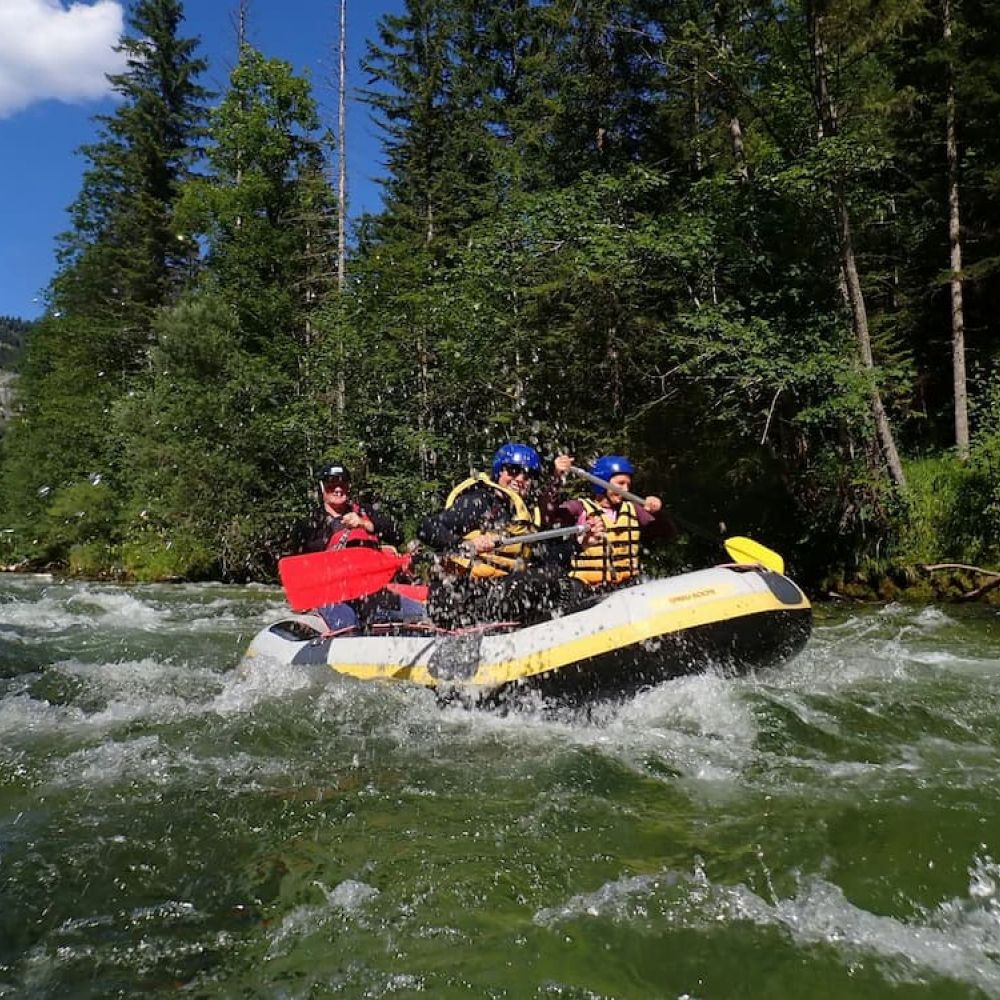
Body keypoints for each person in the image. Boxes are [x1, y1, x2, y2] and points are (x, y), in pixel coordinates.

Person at [417, 443, 603, 629]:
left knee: (569, 585)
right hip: (458, 598)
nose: (520, 478)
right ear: (499, 472)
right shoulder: (480, 502)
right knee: (539, 580)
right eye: (513, 471)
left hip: (494, 595)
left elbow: (546, 561)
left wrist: (579, 544)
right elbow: (426, 528)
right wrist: (465, 543)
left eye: (528, 475)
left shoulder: (524, 518)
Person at [289, 461, 422, 631]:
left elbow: (397, 534)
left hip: (370, 592)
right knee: (347, 624)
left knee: (420, 615)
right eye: (332, 484)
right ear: (322, 488)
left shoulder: (365, 512)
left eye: (342, 483)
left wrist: (365, 524)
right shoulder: (309, 525)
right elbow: (296, 567)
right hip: (331, 595)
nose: (338, 489)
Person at [551, 454, 673, 590]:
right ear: (602, 482)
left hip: (628, 586)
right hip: (589, 589)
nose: (626, 489)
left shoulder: (634, 509)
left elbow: (667, 533)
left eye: (628, 484)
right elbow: (550, 514)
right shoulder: (579, 508)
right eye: (620, 483)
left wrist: (658, 513)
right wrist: (556, 479)